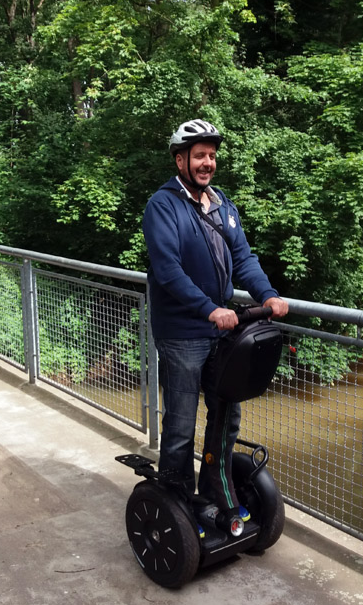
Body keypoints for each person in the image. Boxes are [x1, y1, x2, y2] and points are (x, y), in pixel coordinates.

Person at [142, 119, 290, 529]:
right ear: (181, 159)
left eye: (211, 155)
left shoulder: (221, 203)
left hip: (220, 330)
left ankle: (214, 490)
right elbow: (168, 270)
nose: (207, 162)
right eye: (199, 155)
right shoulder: (163, 205)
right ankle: (174, 500)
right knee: (181, 422)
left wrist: (269, 295)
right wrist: (209, 308)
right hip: (183, 333)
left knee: (228, 414)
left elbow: (243, 259)